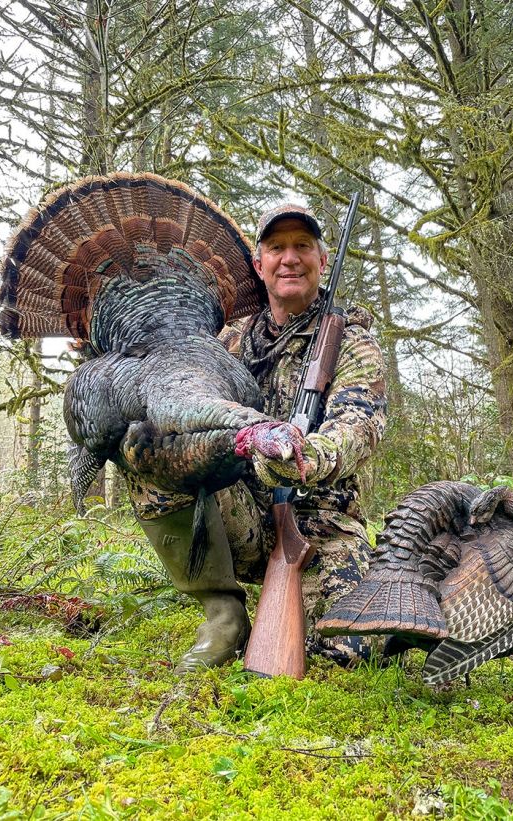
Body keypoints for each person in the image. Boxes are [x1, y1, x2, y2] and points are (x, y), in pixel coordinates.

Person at [130, 202, 388, 672]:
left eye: (302, 246)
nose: (290, 258)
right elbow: (168, 387)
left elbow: (360, 424)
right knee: (149, 448)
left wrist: (305, 454)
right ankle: (224, 616)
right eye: (276, 248)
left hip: (320, 526)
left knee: (352, 654)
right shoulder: (224, 342)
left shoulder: (351, 342)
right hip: (238, 514)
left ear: (321, 261)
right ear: (259, 264)